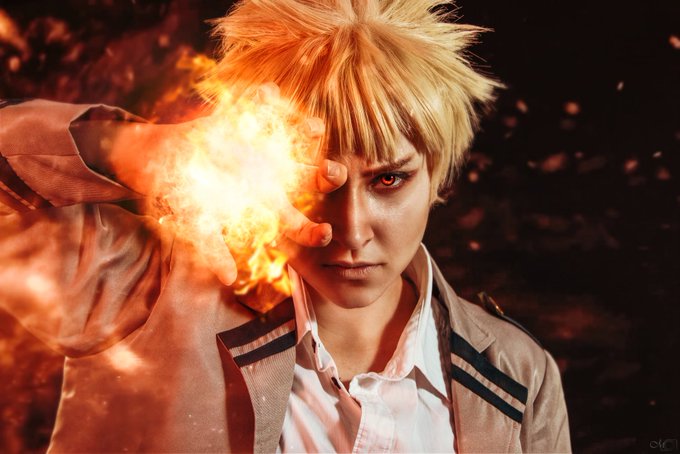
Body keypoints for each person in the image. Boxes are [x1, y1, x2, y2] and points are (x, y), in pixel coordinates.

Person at [0, 0, 571, 452]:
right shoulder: (142, 290)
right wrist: (136, 149)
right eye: (315, 181)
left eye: (388, 180)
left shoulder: (520, 376)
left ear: (436, 177)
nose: (351, 230)